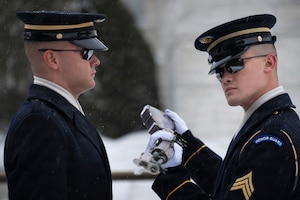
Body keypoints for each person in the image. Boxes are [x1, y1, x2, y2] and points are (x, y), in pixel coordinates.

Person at [144, 14, 300, 199]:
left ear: (269, 62)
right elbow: (230, 184)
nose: (226, 77)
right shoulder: (268, 123)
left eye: (235, 65)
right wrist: (186, 143)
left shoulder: (270, 139)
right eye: (219, 71)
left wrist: (171, 176)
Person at [4, 11, 112, 200]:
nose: (96, 61)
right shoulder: (39, 123)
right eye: (87, 53)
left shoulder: (59, 115)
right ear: (52, 59)